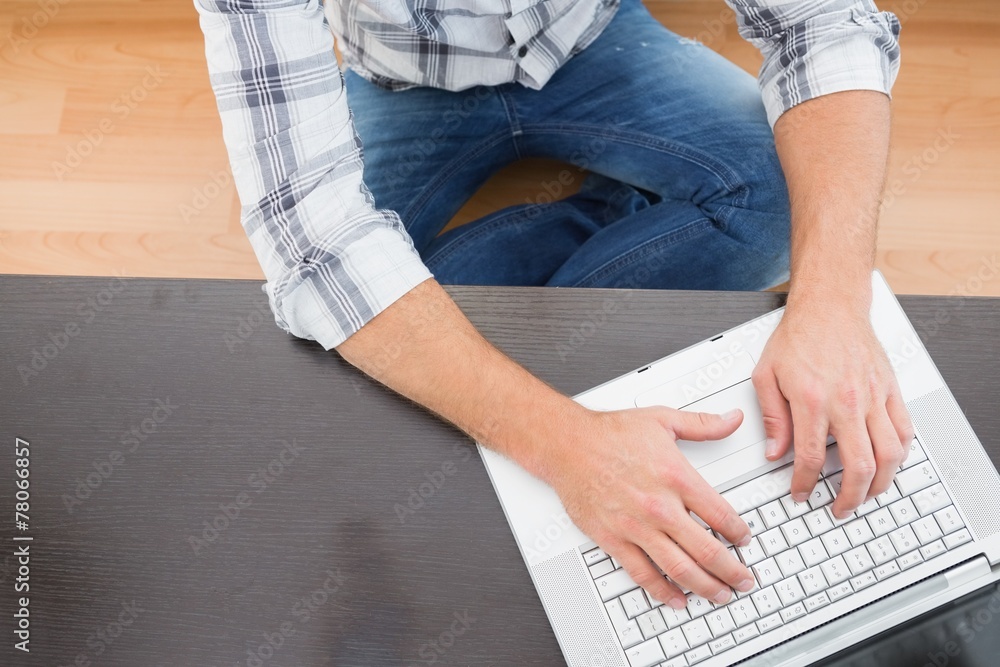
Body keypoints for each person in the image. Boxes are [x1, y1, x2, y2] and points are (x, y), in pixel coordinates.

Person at [195, 0, 914, 610]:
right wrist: (571, 448)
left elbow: (821, 22)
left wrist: (835, 302)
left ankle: (513, 305)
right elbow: (310, 230)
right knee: (329, 366)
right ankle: (615, 208)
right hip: (400, 80)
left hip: (594, 43)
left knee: (785, 199)